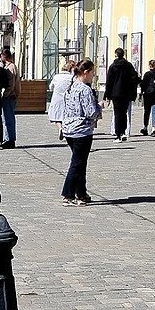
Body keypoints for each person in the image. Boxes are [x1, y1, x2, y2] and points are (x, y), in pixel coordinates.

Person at [60, 59, 101, 206]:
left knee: (80, 162)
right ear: (85, 72)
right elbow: (91, 112)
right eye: (92, 73)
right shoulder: (85, 89)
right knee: (77, 163)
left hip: (69, 129)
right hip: (82, 130)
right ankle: (68, 194)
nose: (92, 76)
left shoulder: (71, 86)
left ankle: (81, 193)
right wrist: (99, 107)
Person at [104, 48, 139, 142]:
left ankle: (118, 134)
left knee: (117, 114)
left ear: (116, 54)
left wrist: (107, 94)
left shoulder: (113, 66)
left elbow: (109, 81)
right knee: (124, 113)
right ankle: (123, 132)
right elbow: (134, 78)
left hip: (115, 93)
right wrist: (133, 92)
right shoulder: (129, 66)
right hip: (126, 93)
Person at [47, 59, 77, 139]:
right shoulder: (71, 78)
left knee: (57, 116)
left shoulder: (56, 77)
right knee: (66, 116)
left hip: (56, 98)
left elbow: (51, 87)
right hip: (67, 99)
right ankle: (65, 130)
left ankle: (60, 128)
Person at [0, 49, 20, 147]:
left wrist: (5, 94)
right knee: (8, 117)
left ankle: (9, 139)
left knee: (7, 118)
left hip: (9, 96)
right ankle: (9, 138)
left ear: (4, 56)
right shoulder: (12, 66)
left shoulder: (10, 67)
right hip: (12, 95)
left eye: (1, 56)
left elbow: (11, 84)